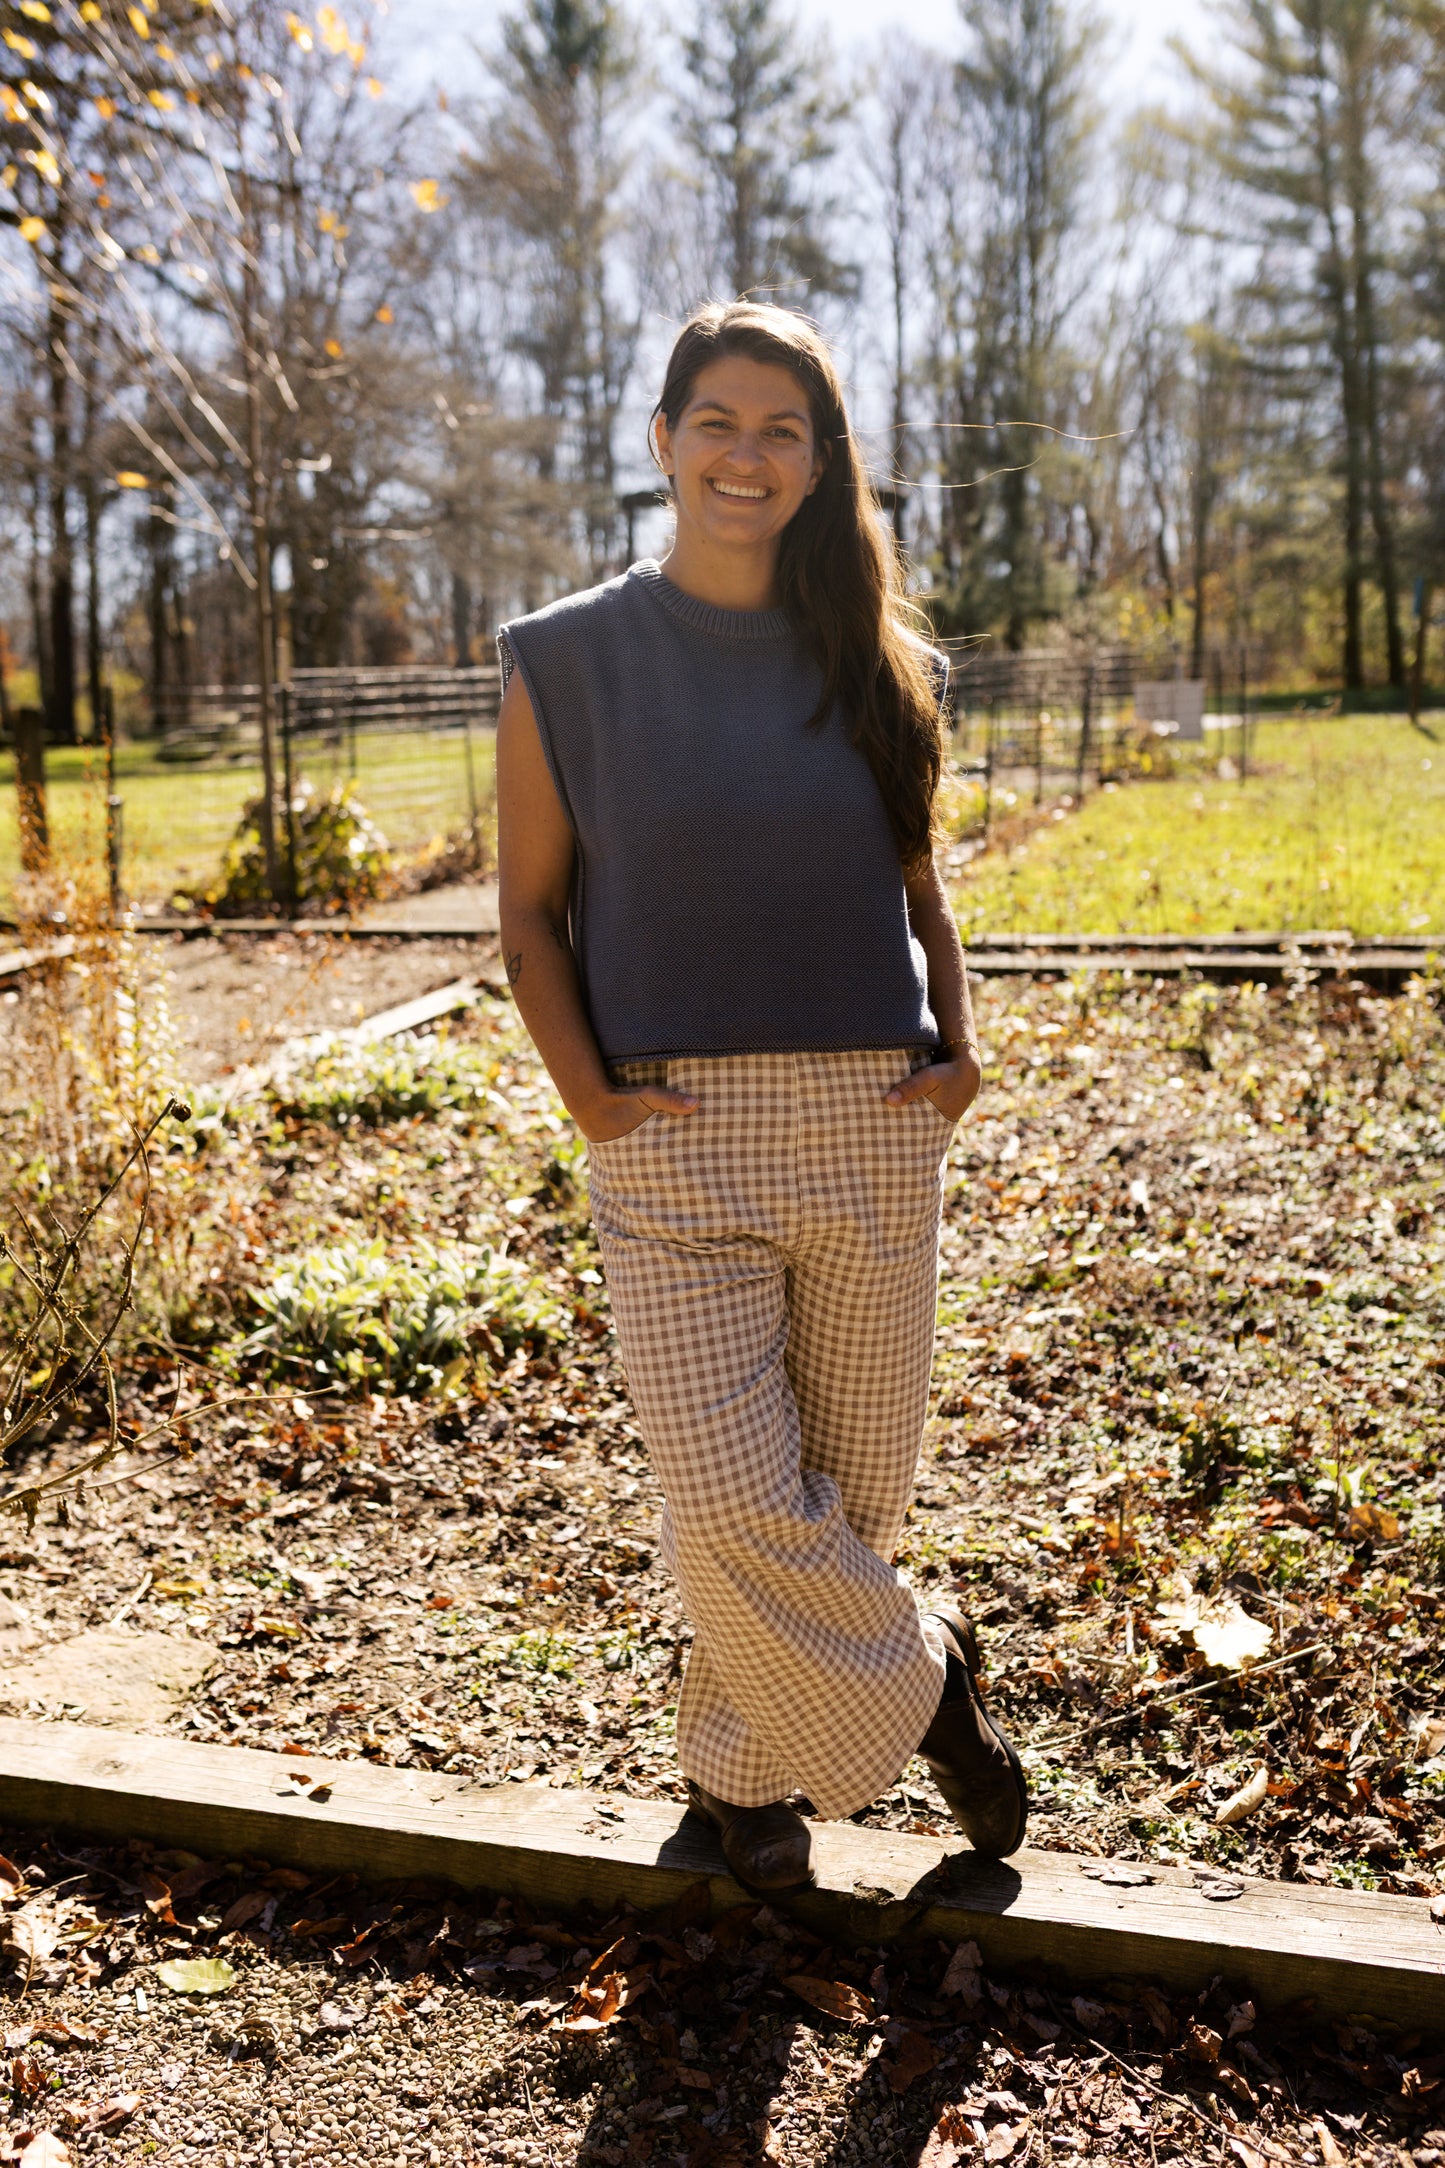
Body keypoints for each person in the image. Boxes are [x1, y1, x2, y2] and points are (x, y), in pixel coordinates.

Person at [495, 300, 1026, 1895]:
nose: (746, 453)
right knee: (733, 1502)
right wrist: (587, 1096)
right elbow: (527, 915)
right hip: (669, 1142)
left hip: (869, 1122)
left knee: (840, 1503)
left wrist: (954, 1043)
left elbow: (919, 887)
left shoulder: (882, 659)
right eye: (716, 421)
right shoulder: (566, 659)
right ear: (661, 441)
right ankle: (929, 1676)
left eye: (781, 428)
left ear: (817, 461)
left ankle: (734, 1786)